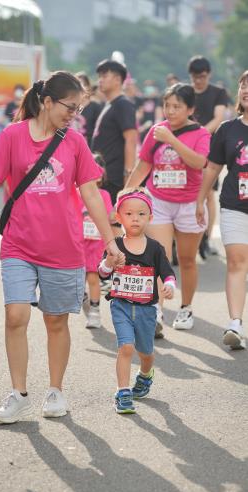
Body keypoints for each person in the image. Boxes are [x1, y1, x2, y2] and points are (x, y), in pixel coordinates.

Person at [0, 71, 124, 424]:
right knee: (15, 315)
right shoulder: (13, 136)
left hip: (63, 246)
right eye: (69, 107)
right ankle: (18, 394)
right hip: (19, 243)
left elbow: (91, 192)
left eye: (78, 109)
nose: (73, 114)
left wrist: (110, 239)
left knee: (55, 321)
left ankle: (55, 390)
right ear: (47, 102)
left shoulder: (75, 142)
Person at [126, 83, 211, 335]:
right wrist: (126, 193)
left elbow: (199, 163)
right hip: (159, 201)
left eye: (177, 106)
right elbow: (143, 167)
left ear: (190, 109)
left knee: (186, 260)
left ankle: (185, 307)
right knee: (159, 257)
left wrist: (171, 139)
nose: (170, 111)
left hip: (189, 204)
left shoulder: (201, 134)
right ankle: (157, 313)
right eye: (167, 105)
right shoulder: (156, 130)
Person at [99, 188, 175, 414]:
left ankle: (145, 374)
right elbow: (102, 273)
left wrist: (169, 286)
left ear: (150, 218)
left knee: (146, 353)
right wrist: (109, 264)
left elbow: (168, 273)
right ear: (118, 217)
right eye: (129, 214)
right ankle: (123, 392)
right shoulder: (115, 246)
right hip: (121, 305)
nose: (135, 218)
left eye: (141, 214)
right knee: (125, 347)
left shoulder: (155, 248)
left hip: (146, 310)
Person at [196, 70, 248, 350]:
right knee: (238, 262)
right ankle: (235, 323)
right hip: (234, 206)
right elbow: (213, 168)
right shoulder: (228, 130)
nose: (246, 90)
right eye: (243, 85)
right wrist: (200, 200)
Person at [188, 55, 229, 258]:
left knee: (208, 194)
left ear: (209, 74)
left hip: (210, 150)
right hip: (185, 150)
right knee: (187, 192)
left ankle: (206, 237)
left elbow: (219, 117)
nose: (198, 81)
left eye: (202, 77)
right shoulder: (185, 93)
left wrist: (199, 135)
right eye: (195, 77)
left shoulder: (218, 93)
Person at [92, 59, 137, 207]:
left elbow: (131, 139)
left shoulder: (123, 104)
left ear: (118, 79)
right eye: (99, 77)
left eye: (104, 76)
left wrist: (128, 178)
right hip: (103, 177)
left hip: (115, 179)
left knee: (114, 226)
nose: (100, 80)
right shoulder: (109, 104)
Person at [80, 153, 114, 329]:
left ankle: (94, 311)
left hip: (95, 245)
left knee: (93, 278)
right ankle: (83, 299)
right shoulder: (75, 193)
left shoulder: (104, 195)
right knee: (76, 281)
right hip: (77, 246)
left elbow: (109, 216)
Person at [71, 72, 102, 147]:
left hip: (89, 147)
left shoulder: (95, 107)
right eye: (77, 85)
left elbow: (100, 131)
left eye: (83, 84)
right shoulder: (69, 106)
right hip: (71, 145)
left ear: (88, 87)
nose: (80, 88)